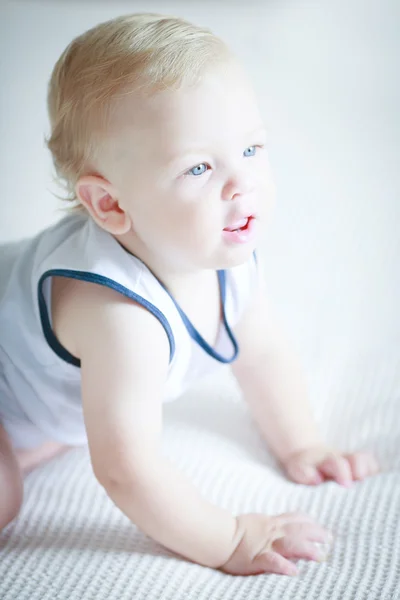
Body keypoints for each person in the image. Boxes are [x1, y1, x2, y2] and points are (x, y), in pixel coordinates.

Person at [0, 13, 379, 576]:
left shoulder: (226, 253)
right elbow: (126, 469)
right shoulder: (119, 315)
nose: (241, 183)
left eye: (251, 149)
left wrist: (303, 445)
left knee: (72, 430)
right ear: (109, 205)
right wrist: (229, 540)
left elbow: (263, 350)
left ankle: (29, 438)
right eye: (199, 167)